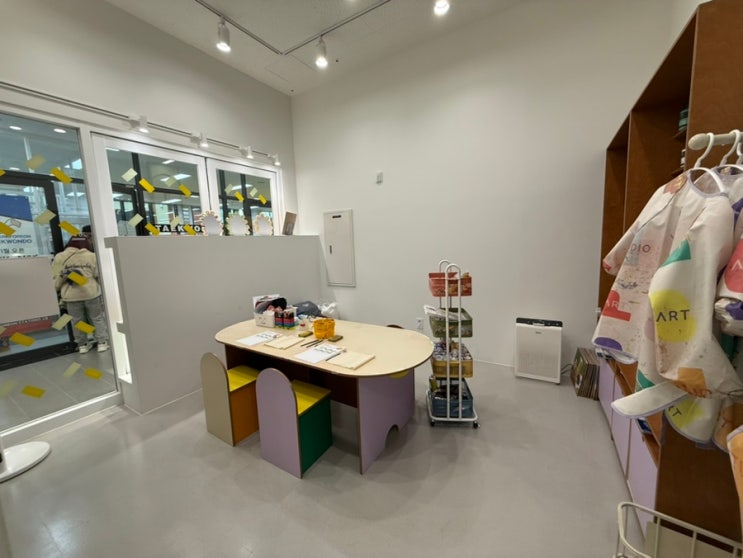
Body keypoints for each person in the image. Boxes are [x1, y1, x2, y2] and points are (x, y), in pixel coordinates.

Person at [52, 235, 109, 353]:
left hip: (71, 295)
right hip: (91, 293)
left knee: (77, 321)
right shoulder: (92, 256)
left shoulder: (59, 257)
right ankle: (101, 342)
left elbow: (56, 277)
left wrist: (56, 288)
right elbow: (98, 275)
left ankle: (82, 345)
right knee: (96, 318)